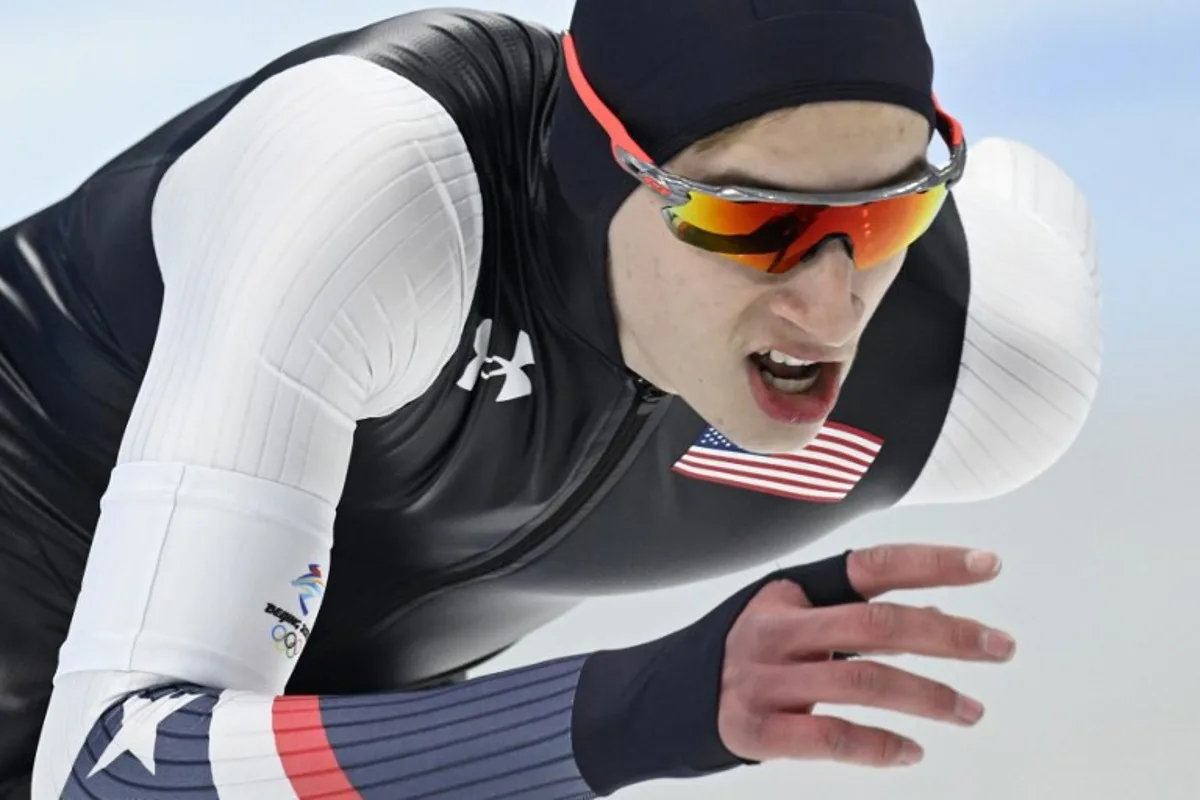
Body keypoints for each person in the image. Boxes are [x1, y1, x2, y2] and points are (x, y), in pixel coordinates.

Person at [0, 1, 1100, 798]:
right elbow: (113, 769)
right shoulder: (385, 193)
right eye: (749, 221)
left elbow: (1032, 200)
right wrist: (638, 708)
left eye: (882, 219)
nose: (831, 303)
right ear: (600, 167)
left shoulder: (985, 363)